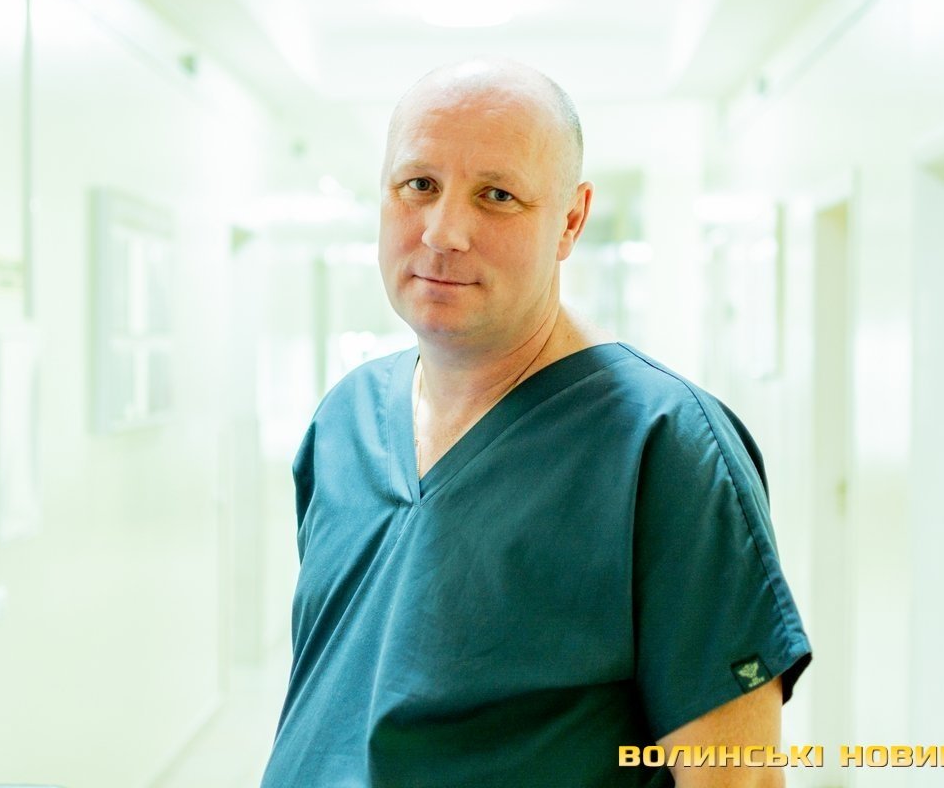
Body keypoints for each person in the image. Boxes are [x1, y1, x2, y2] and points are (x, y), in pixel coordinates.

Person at [261, 58, 811, 788]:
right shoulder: (345, 420)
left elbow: (736, 779)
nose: (443, 232)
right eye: (418, 185)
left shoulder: (666, 448)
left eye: (497, 196)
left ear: (571, 221)